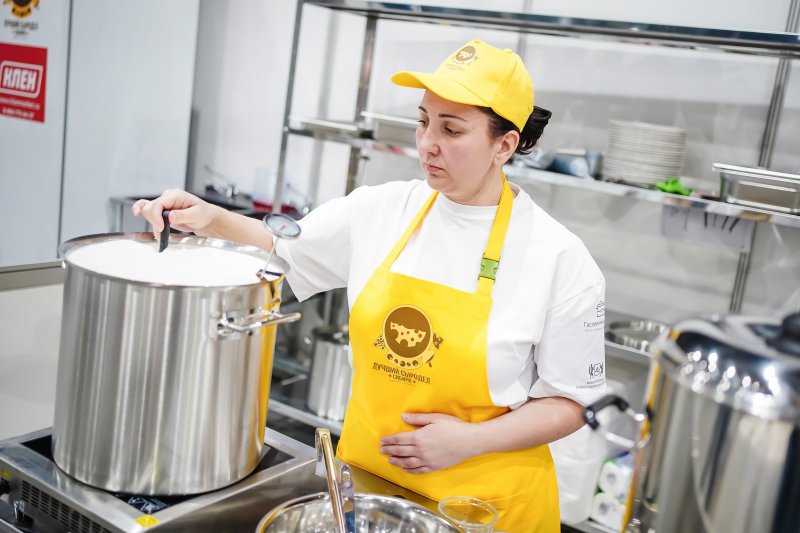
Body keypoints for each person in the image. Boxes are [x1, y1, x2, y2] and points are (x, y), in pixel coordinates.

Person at [133, 40, 606, 532]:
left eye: (451, 129)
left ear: (504, 145)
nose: (427, 143)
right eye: (423, 121)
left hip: (483, 508)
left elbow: (571, 402)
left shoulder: (557, 257)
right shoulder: (383, 211)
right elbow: (285, 247)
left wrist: (471, 440)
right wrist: (209, 218)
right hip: (368, 493)